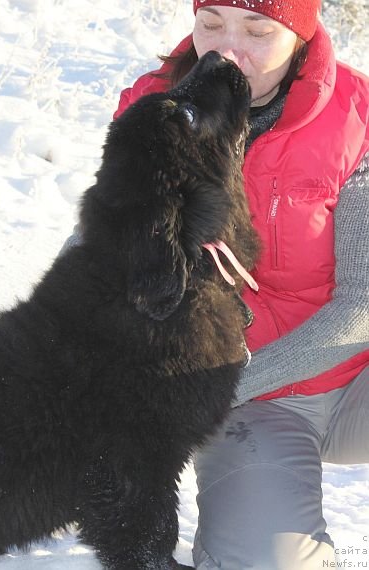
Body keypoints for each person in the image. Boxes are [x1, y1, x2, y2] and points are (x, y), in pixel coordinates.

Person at [59, 1, 369, 568]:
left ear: (299, 36)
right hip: (249, 406)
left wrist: (224, 385)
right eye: (210, 25)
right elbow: (102, 247)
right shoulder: (159, 111)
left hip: (350, 381)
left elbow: (364, 301)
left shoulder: (355, 113)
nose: (228, 48)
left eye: (257, 30)